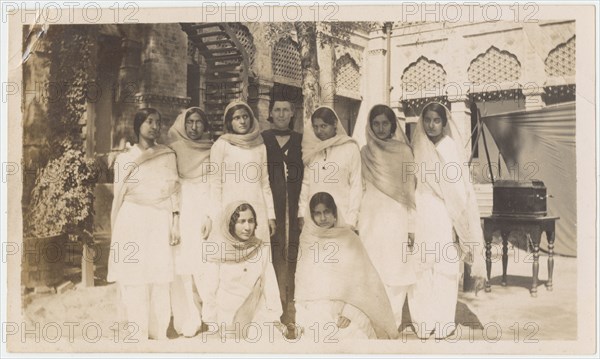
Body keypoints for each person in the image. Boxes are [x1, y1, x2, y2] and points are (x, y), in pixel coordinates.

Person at [410, 102, 485, 339]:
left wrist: (458, 223)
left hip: (444, 213)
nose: (431, 125)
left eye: (436, 120)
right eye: (428, 120)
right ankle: (423, 321)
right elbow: (412, 184)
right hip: (421, 210)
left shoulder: (450, 147)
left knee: (445, 267)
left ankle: (443, 322)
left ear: (444, 123)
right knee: (421, 267)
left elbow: (459, 190)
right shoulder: (417, 146)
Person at [108, 108, 180, 340]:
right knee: (135, 274)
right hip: (133, 219)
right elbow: (118, 196)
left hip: (160, 218)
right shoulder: (124, 159)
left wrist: (175, 222)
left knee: (159, 274)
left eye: (158, 122)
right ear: (138, 125)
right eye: (149, 122)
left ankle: (158, 331)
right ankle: (136, 331)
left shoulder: (167, 155)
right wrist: (117, 228)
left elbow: (174, 192)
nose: (154, 126)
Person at [295, 192, 398, 340]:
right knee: (315, 336)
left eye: (327, 212)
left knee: (354, 334)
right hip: (316, 306)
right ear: (311, 216)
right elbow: (302, 283)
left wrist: (349, 312)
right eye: (317, 214)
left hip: (349, 306)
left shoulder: (350, 239)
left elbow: (363, 284)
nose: (323, 218)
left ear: (335, 213)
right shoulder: (307, 240)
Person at [358, 104, 417, 332]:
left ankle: (393, 323)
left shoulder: (404, 152)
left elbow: (410, 191)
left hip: (397, 217)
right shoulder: (365, 152)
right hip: (370, 217)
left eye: (385, 123)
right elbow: (359, 187)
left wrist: (411, 226)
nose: (381, 128)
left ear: (393, 125)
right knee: (374, 269)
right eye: (376, 123)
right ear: (370, 126)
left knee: (396, 268)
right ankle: (374, 321)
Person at [201, 201, 286, 340]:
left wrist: (275, 317)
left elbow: (270, 286)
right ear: (231, 223)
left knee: (268, 340)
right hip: (227, 317)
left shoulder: (260, 249)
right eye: (241, 221)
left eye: (251, 221)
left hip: (255, 315)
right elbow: (210, 291)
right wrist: (213, 324)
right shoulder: (218, 251)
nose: (247, 227)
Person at [167, 107, 213, 338]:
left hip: (206, 208)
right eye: (189, 122)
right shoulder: (175, 149)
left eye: (198, 122)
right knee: (184, 264)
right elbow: (171, 183)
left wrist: (210, 214)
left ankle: (211, 314)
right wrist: (174, 218)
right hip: (184, 207)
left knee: (206, 261)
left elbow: (217, 183)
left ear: (205, 126)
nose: (194, 127)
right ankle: (190, 316)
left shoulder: (213, 149)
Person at [261, 95, 303, 331]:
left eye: (286, 110)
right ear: (271, 113)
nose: (281, 114)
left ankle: (292, 307)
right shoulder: (262, 139)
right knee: (273, 252)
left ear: (292, 113)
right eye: (277, 109)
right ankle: (275, 305)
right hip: (270, 206)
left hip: (294, 204)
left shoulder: (300, 140)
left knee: (293, 254)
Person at [210, 101, 276, 243]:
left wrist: (270, 215)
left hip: (257, 206)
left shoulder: (260, 146)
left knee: (258, 251)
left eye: (245, 117)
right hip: (231, 206)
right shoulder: (221, 145)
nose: (242, 121)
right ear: (229, 122)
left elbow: (265, 183)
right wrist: (217, 215)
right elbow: (215, 183)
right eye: (237, 118)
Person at [299, 106, 362, 231]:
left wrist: (352, 220)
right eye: (315, 127)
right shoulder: (313, 151)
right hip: (315, 217)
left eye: (323, 126)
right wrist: (301, 214)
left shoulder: (350, 147)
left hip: (342, 216)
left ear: (334, 124)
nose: (319, 131)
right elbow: (306, 184)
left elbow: (356, 184)